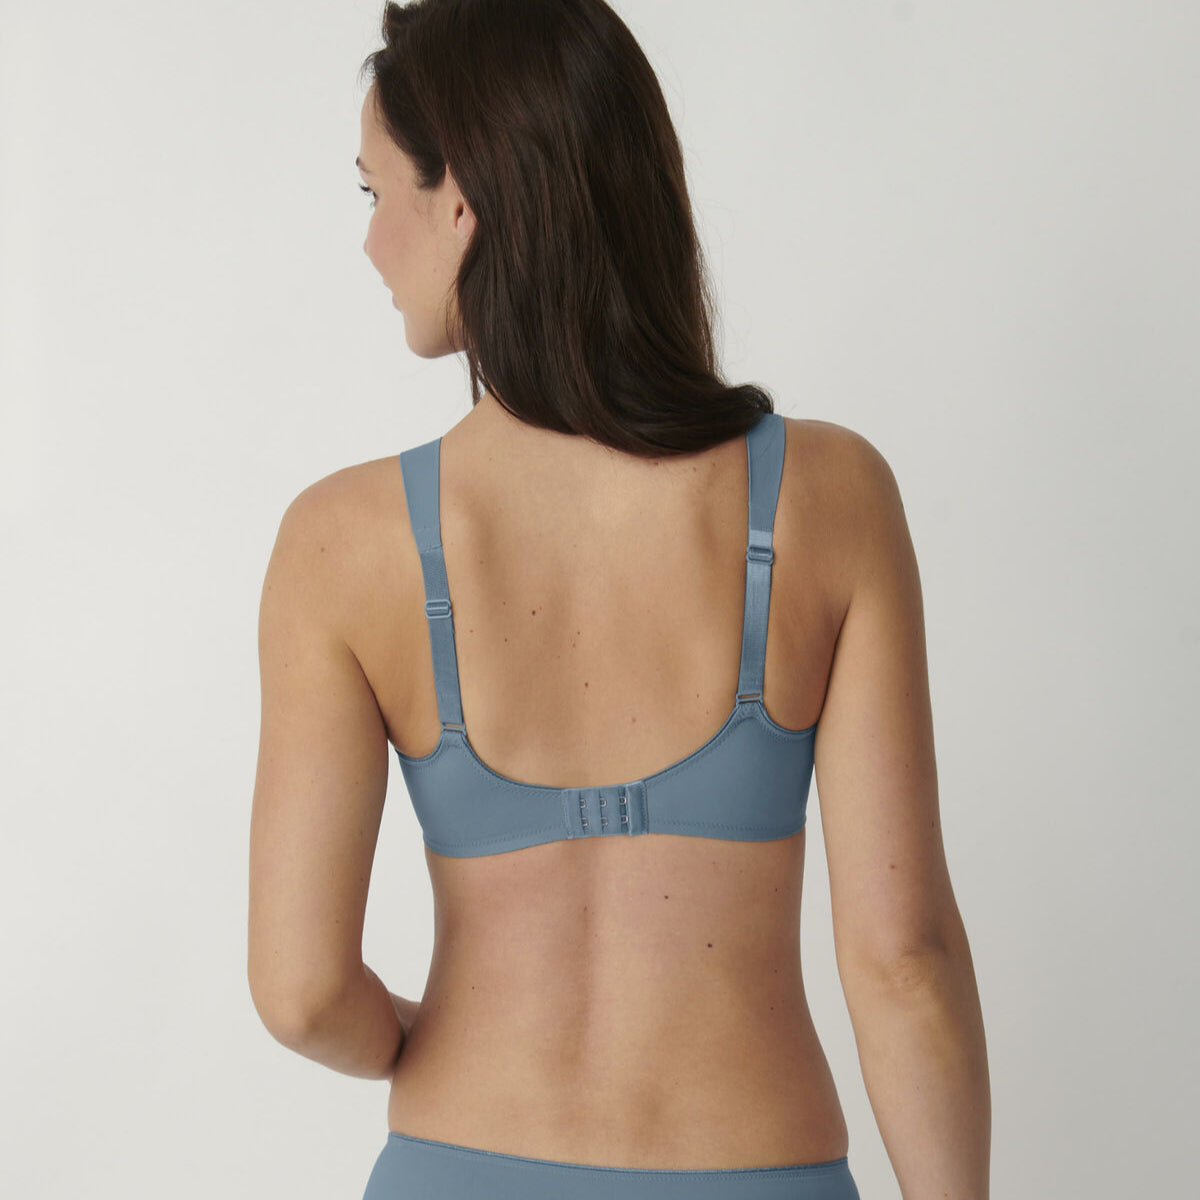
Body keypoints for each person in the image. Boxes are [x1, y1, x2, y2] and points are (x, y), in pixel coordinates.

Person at [247, 2, 991, 1197]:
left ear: (462, 202)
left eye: (376, 193)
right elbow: (902, 959)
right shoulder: (828, 499)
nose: (371, 243)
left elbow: (300, 992)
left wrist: (432, 1044)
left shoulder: (342, 545)